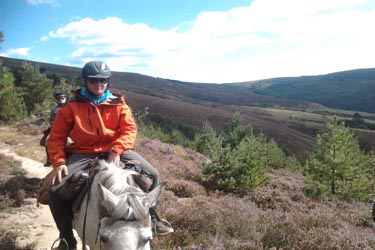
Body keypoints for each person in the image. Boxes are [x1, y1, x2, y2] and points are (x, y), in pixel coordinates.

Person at [47, 61, 174, 250]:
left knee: (153, 175)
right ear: (85, 81)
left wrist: (116, 149)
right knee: (55, 191)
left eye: (103, 80)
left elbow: (129, 130)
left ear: (108, 81)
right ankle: (67, 239)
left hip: (115, 150)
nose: (99, 84)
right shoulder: (70, 108)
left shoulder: (119, 104)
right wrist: (58, 161)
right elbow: (56, 137)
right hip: (83, 152)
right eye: (93, 80)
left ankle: (154, 219)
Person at [42, 92, 67, 166]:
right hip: (58, 129)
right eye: (59, 99)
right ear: (57, 100)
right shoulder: (54, 110)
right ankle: (49, 159)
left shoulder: (70, 107)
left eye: (63, 98)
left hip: (71, 128)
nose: (61, 100)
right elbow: (51, 120)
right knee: (47, 141)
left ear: (65, 98)